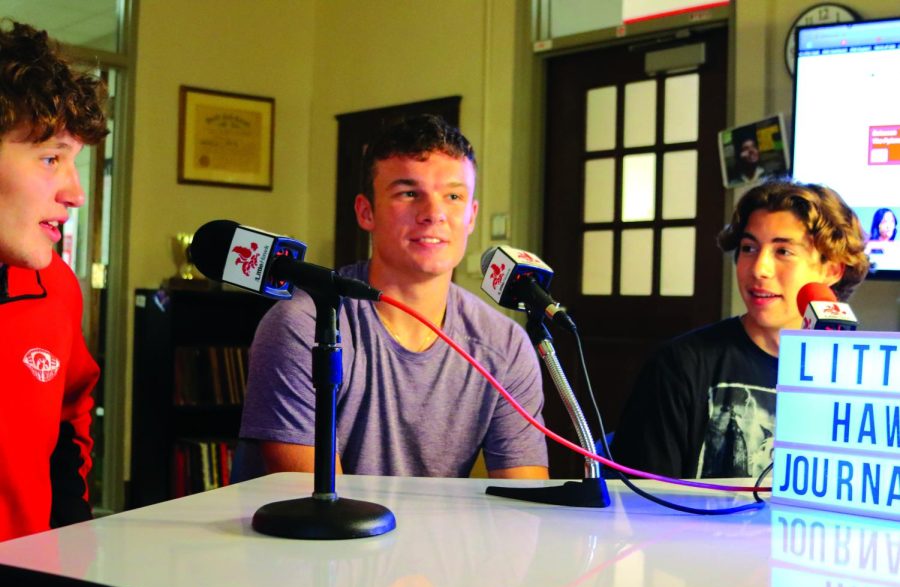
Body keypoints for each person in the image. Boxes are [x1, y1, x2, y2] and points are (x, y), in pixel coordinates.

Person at [235, 115, 548, 480]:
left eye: (453, 196)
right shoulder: (303, 324)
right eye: (409, 193)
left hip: (437, 537)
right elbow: (311, 505)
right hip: (320, 534)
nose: (434, 214)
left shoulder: (504, 343)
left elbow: (523, 501)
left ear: (471, 216)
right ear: (366, 212)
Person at [610, 180, 868, 479]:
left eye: (783, 251)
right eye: (749, 248)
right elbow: (639, 507)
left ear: (832, 270)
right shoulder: (680, 365)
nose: (759, 268)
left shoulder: (866, 378)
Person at [0, 19, 109, 587]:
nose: (75, 192)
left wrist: (74, 581)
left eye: (76, 163)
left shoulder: (57, 286)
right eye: (50, 158)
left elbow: (71, 425)